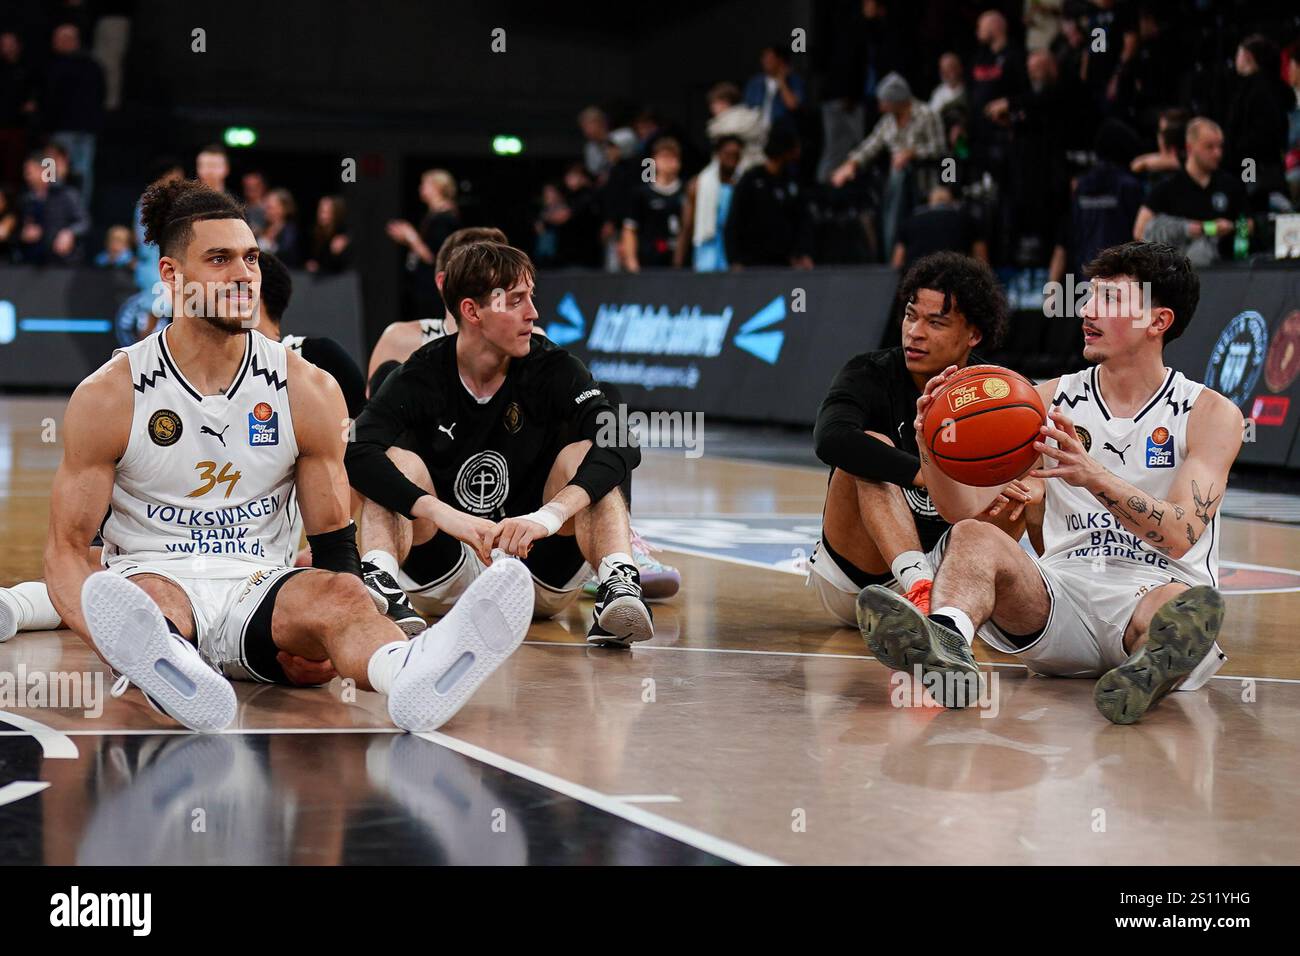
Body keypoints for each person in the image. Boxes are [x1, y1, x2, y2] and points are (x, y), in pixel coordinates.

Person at [38, 178, 534, 733]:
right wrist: (103, 637)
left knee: (343, 595)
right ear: (172, 276)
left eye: (250, 258)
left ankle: (409, 672)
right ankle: (165, 665)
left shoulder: (306, 388)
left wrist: (321, 639)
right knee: (144, 604)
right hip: (156, 576)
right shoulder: (111, 392)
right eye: (220, 259)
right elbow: (67, 552)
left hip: (261, 587)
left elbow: (331, 540)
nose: (244, 274)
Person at [858, 241, 1237, 725]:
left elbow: (1182, 535)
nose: (1087, 310)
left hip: (1156, 587)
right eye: (1089, 297)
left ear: (1158, 322)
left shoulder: (1210, 413)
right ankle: (947, 642)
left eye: (1110, 301)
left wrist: (1093, 475)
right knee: (974, 537)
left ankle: (1151, 666)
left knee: (1180, 609)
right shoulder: (1045, 399)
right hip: (1061, 598)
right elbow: (963, 512)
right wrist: (928, 439)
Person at [1, 251, 372, 642]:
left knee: (112, 574)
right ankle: (27, 605)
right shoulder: (156, 368)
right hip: (168, 532)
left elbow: (361, 458)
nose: (236, 283)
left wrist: (328, 545)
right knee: (108, 566)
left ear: (259, 295)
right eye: (222, 267)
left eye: (248, 267)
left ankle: (26, 604)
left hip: (256, 548)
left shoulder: (309, 370)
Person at [345, 241, 655, 647]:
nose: (533, 313)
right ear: (472, 312)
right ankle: (380, 581)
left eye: (531, 297)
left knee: (584, 453)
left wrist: (547, 517)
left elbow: (620, 441)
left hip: (537, 562)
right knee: (395, 462)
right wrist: (443, 515)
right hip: (444, 566)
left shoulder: (552, 366)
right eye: (515, 301)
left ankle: (618, 581)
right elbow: (356, 451)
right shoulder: (420, 373)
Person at [808, 252, 1025, 626]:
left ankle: (1052, 589)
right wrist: (929, 474)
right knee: (869, 446)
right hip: (856, 577)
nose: (915, 332)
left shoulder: (995, 394)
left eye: (935, 323)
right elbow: (830, 439)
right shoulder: (868, 372)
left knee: (1030, 477)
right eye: (911, 316)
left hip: (949, 569)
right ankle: (919, 588)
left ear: (973, 335)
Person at [366, 226, 508, 391]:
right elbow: (370, 414)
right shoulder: (400, 340)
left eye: (502, 277)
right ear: (443, 282)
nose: (493, 287)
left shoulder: (526, 343)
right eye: (478, 276)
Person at [830, 73, 946, 258]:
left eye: (884, 101)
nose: (881, 106)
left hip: (924, 183)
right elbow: (871, 145)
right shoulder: (889, 121)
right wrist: (850, 165)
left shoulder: (926, 114)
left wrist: (911, 153)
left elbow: (939, 148)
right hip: (897, 186)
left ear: (897, 100)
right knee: (893, 180)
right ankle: (890, 252)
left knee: (901, 170)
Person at [1133, 118, 1245, 265]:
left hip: (1225, 271)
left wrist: (1235, 227)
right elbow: (1139, 232)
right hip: (1178, 271)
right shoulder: (1167, 188)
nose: (1217, 153)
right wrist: (1193, 230)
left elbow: (1247, 222)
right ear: (1190, 148)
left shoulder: (1231, 185)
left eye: (1220, 147)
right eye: (1209, 147)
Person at [725, 125, 813, 268]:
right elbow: (734, 222)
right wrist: (734, 260)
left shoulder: (792, 182)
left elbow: (803, 221)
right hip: (752, 265)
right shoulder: (751, 180)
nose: (798, 151)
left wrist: (802, 253)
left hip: (786, 265)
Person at [387, 168, 460, 321]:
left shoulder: (444, 219)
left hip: (432, 289)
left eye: (425, 184)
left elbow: (434, 256)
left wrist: (411, 237)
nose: (421, 189)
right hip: (423, 285)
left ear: (437, 187)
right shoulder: (433, 216)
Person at [620, 137, 684, 272]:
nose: (668, 162)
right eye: (663, 157)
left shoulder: (686, 192)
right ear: (653, 161)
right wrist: (632, 262)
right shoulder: (642, 193)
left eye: (672, 157)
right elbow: (630, 229)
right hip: (649, 262)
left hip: (680, 261)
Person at [682, 135, 743, 272]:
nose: (732, 160)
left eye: (736, 155)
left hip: (734, 254)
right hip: (706, 252)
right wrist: (678, 261)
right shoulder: (698, 184)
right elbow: (687, 225)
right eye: (728, 154)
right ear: (718, 155)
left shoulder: (743, 186)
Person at [18, 148, 90, 264]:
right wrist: (24, 233)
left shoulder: (66, 194)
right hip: (31, 263)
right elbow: (20, 227)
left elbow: (84, 222)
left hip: (62, 263)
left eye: (30, 172)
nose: (27, 176)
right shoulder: (27, 198)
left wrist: (69, 232)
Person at [892, 185, 986, 270]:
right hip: (957, 280)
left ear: (930, 201)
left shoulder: (909, 221)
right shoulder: (969, 220)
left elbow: (897, 262)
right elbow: (982, 262)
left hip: (919, 282)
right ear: (952, 201)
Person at [743, 43, 805, 127]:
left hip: (782, 132)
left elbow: (793, 105)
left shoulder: (794, 80)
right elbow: (747, 109)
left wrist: (782, 81)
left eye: (770, 58)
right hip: (756, 130)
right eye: (764, 57)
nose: (766, 61)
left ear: (780, 60)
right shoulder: (755, 83)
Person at [306, 194, 350, 274]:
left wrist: (334, 253)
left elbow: (338, 266)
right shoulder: (315, 232)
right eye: (321, 211)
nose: (322, 216)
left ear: (336, 213)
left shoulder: (342, 234)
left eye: (327, 212)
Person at [259, 187, 301, 267]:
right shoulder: (262, 228)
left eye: (270, 207)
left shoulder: (289, 231)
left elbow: (286, 254)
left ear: (283, 209)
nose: (265, 210)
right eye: (265, 206)